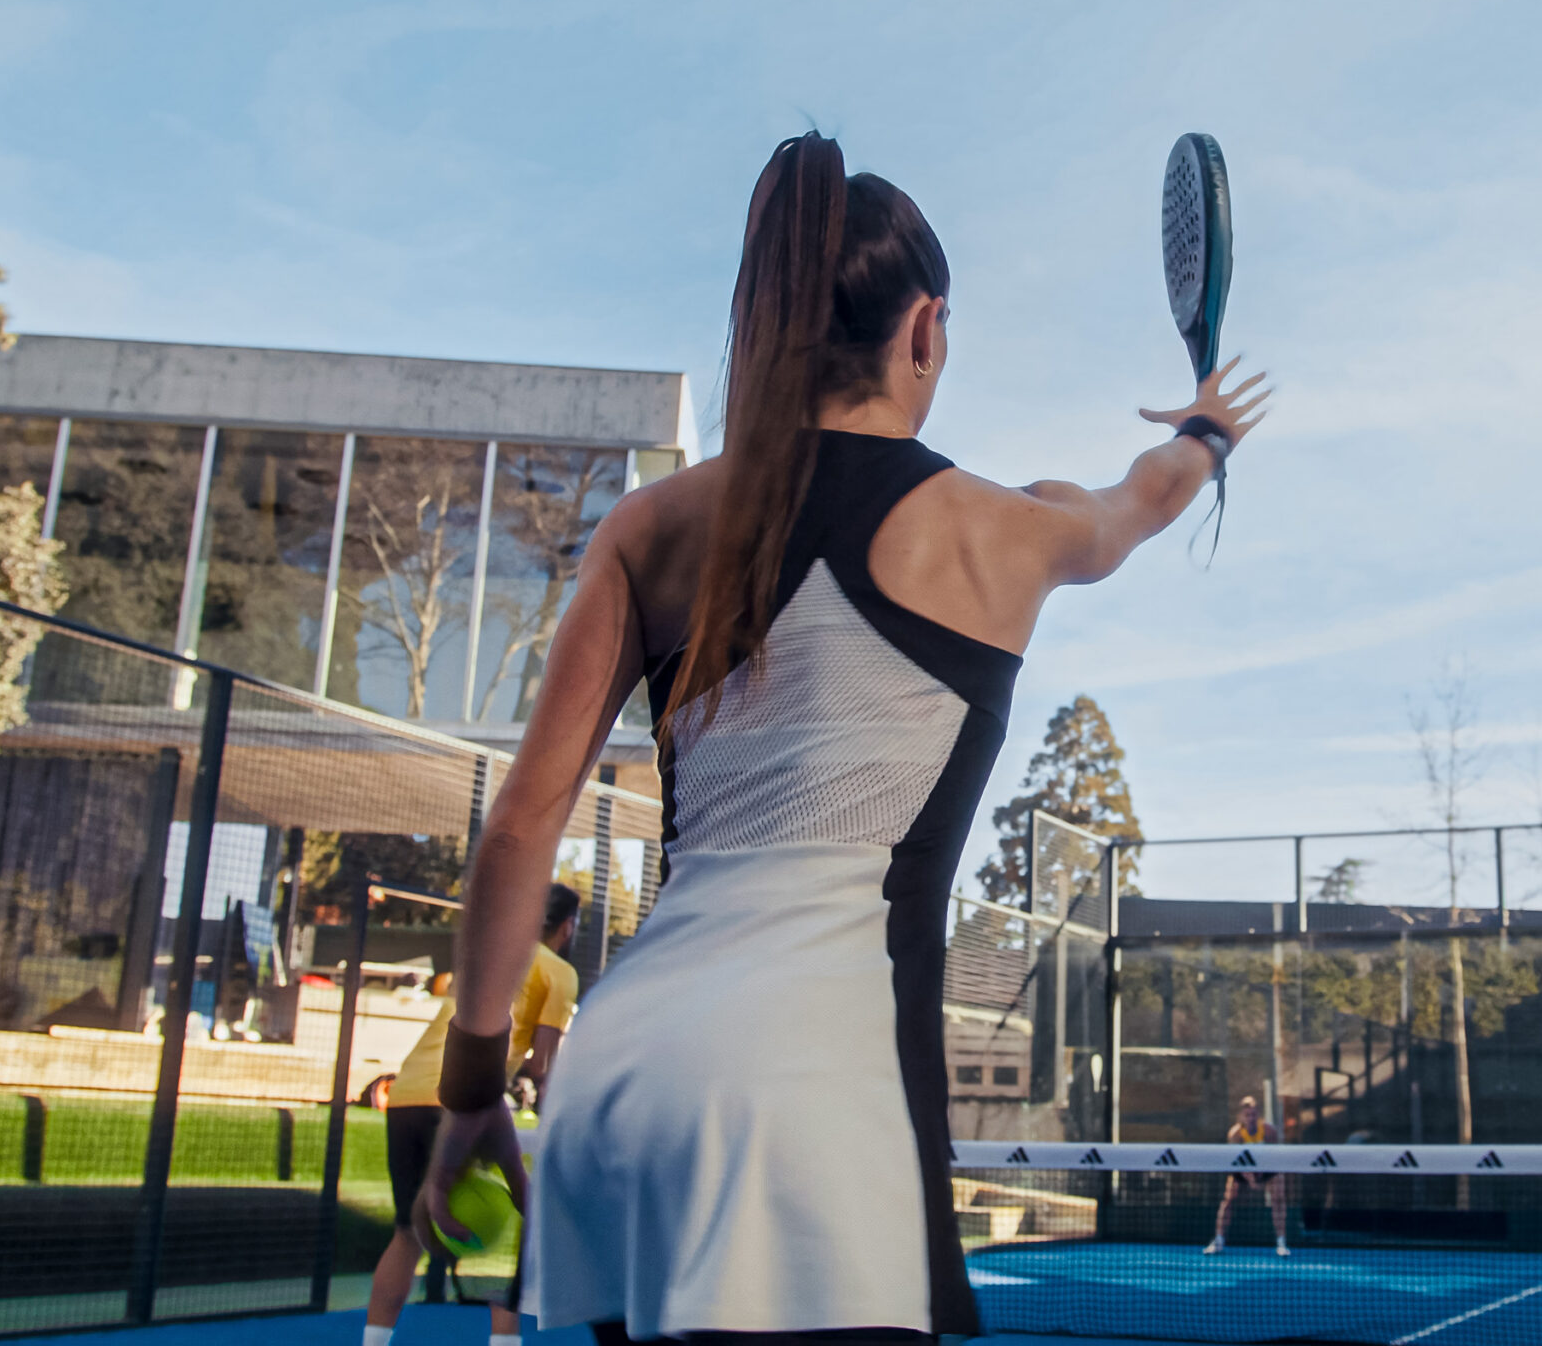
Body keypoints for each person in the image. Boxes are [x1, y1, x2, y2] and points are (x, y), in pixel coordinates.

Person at [412, 132, 1269, 1344]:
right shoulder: (1002, 530)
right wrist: (1207, 432)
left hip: (619, 1078)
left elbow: (519, 828)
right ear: (923, 328)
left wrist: (468, 1087)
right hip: (812, 1093)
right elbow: (1143, 497)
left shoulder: (653, 524)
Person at [365, 884, 580, 1346]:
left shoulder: (488, 955)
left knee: (407, 1232)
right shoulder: (560, 974)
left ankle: (373, 1341)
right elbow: (542, 1067)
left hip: (406, 1093)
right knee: (522, 1223)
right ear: (567, 927)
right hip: (461, 1101)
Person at [1206, 1095, 1289, 1257]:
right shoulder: (1235, 1134)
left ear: (1258, 1115)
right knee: (1228, 1199)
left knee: (1278, 1198)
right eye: (1247, 1115)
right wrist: (1251, 1179)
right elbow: (1235, 1162)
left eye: (1254, 1114)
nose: (1251, 1118)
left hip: (1267, 1167)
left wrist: (1261, 1177)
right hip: (1242, 1168)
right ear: (1241, 1116)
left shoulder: (1269, 1131)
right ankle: (1219, 1240)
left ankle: (1281, 1242)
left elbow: (1275, 1157)